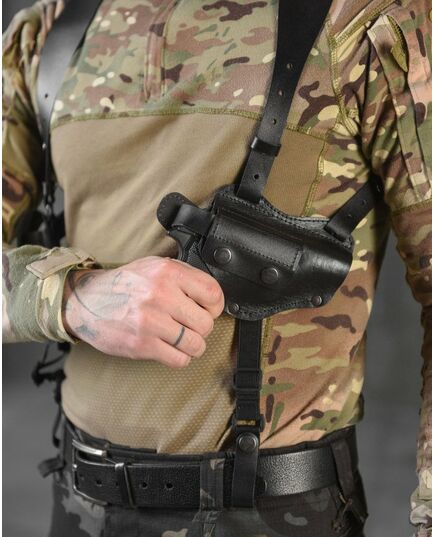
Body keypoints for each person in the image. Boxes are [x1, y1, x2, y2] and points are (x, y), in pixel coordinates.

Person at [2, 0, 431, 536]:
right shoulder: (49, 33)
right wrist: (70, 297)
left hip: (270, 513)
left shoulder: (368, 19)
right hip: (78, 503)